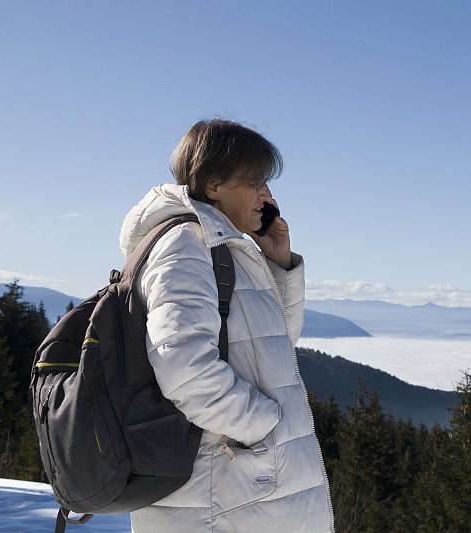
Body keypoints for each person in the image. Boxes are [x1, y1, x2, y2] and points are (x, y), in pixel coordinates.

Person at [119, 119, 335, 532]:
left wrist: (278, 261)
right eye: (254, 182)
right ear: (214, 185)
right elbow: (182, 365)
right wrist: (261, 426)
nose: (266, 196)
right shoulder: (186, 244)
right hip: (219, 491)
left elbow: (275, 346)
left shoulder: (220, 246)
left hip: (237, 487)